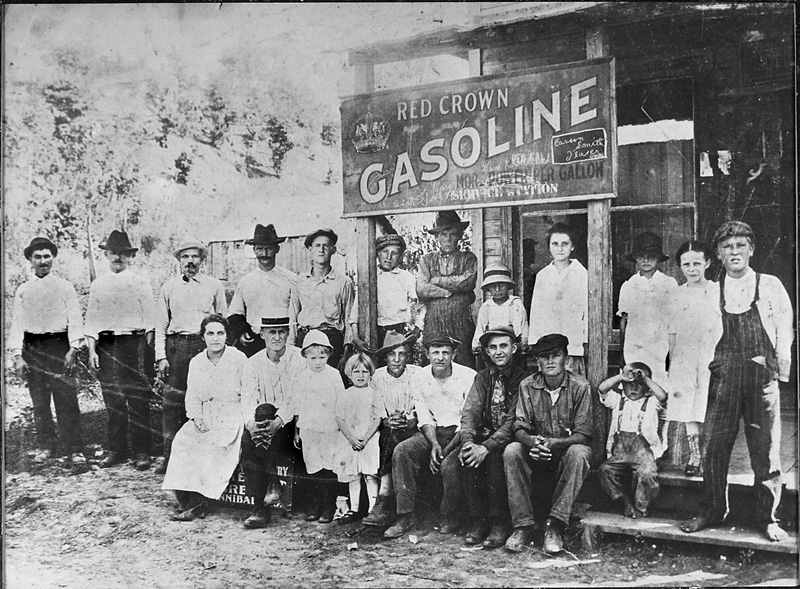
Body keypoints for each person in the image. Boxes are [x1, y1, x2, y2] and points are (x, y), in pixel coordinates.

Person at [681, 221, 794, 542]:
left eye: (740, 245)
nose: (734, 252)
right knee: (713, 445)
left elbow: (785, 329)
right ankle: (712, 509)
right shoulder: (712, 291)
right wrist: (707, 374)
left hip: (761, 378)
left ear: (751, 249)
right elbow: (703, 338)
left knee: (766, 449)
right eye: (728, 247)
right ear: (717, 253)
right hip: (724, 379)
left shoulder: (769, 285)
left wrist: (778, 370)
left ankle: (768, 517)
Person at [503, 333, 592, 554]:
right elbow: (519, 427)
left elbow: (584, 434)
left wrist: (554, 444)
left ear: (567, 360)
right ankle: (522, 525)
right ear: (538, 362)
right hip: (536, 454)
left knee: (580, 452)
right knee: (512, 450)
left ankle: (555, 525)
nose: (550, 361)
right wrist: (532, 442)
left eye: (556, 355)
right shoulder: (527, 385)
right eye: (544, 357)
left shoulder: (580, 386)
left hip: (562, 455)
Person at [383, 332, 477, 540]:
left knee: (448, 464)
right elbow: (424, 414)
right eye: (435, 353)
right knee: (403, 451)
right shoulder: (420, 377)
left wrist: (446, 449)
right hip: (432, 432)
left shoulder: (468, 376)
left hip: (460, 433)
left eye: (446, 352)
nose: (440, 358)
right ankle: (405, 516)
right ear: (427, 354)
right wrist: (434, 444)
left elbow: (468, 417)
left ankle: (452, 515)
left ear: (454, 354)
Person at [447, 326, 529, 548]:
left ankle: (499, 522)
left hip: (511, 439)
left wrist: (488, 446)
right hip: (484, 437)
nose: (498, 352)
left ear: (514, 348)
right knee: (467, 456)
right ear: (487, 352)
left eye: (503, 346)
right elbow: (470, 411)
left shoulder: (524, 379)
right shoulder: (483, 378)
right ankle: (477, 521)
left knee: (494, 459)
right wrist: (469, 442)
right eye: (492, 347)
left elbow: (514, 420)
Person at [161, 315, 248, 521]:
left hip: (232, 413)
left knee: (213, 444)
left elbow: (249, 392)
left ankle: (200, 502)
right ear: (203, 336)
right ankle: (188, 500)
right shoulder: (197, 362)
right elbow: (192, 395)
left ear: (227, 336)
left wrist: (244, 419)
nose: (215, 338)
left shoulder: (238, 358)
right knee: (184, 439)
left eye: (220, 333)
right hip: (206, 413)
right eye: (210, 333)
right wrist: (196, 416)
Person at [9, 237, 86, 465]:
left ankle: (74, 448)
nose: (43, 261)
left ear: (53, 258)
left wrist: (73, 348)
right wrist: (17, 355)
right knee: (40, 401)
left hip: (59, 346)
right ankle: (46, 445)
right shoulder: (23, 290)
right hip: (33, 348)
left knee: (67, 399)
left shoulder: (64, 287)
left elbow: (74, 319)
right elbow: (17, 323)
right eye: (38, 257)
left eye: (46, 256)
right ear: (30, 260)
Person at [154, 238, 227, 474]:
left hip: (204, 345)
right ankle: (170, 458)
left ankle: (207, 457)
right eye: (185, 257)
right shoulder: (168, 288)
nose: (190, 261)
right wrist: (161, 356)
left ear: (202, 260)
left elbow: (223, 320)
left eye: (195, 257)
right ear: (178, 261)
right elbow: (161, 325)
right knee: (173, 402)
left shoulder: (214, 286)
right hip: (177, 348)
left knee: (206, 400)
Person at [85, 230, 156, 470]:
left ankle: (142, 452)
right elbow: (92, 322)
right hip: (107, 346)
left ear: (130, 256)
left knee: (137, 399)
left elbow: (150, 321)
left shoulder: (140, 283)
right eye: (113, 253)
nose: (118, 257)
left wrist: (148, 352)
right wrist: (92, 351)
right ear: (106, 254)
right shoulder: (98, 285)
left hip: (134, 344)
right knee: (113, 399)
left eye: (123, 253)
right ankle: (116, 450)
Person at [239, 316, 307, 528]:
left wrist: (279, 421)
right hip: (263, 425)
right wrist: (251, 424)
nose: (277, 337)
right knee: (254, 425)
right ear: (262, 334)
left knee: (266, 412)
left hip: (289, 425)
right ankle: (263, 500)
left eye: (281, 332)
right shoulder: (253, 363)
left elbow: (297, 397)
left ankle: (268, 493)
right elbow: (248, 398)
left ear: (288, 333)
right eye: (271, 332)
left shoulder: (299, 359)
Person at [667, 240, 722, 476]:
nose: (692, 269)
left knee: (710, 405)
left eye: (697, 263)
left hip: (712, 355)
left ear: (707, 263)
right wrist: (672, 360)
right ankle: (695, 456)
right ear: (680, 266)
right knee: (689, 406)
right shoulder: (677, 294)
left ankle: (712, 457)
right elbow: (672, 330)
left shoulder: (717, 290)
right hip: (685, 357)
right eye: (686, 264)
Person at [362, 330, 422, 527]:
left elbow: (420, 402)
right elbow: (375, 406)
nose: (397, 360)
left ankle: (384, 498)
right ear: (385, 357)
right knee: (389, 435)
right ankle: (385, 498)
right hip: (387, 428)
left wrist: (410, 418)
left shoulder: (415, 374)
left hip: (411, 426)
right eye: (392, 355)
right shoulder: (377, 377)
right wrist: (386, 420)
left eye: (401, 354)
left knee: (396, 436)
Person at [598, 362, 668, 519]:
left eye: (639, 385)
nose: (634, 389)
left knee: (646, 473)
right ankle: (625, 501)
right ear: (623, 385)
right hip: (619, 455)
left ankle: (640, 508)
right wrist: (622, 376)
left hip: (643, 453)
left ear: (647, 387)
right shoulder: (617, 400)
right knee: (604, 471)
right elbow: (602, 389)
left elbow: (663, 397)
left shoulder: (651, 402)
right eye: (629, 385)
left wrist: (646, 379)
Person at [294, 330, 346, 523]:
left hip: (330, 428)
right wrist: (297, 431)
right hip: (309, 428)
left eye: (322, 357)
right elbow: (298, 405)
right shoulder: (302, 377)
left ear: (328, 356)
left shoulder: (333, 375)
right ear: (306, 356)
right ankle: (315, 505)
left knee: (329, 466)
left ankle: (328, 505)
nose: (317, 362)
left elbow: (341, 403)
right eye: (313, 357)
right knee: (313, 466)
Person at [416, 210, 478, 369]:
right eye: (444, 234)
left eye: (452, 234)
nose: (448, 239)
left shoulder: (468, 258)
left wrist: (437, 281)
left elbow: (468, 282)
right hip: (434, 321)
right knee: (434, 363)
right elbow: (422, 289)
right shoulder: (427, 259)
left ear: (459, 236)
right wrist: (446, 291)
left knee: (464, 363)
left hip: (461, 321)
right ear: (437, 237)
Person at [228, 223, 297, 358]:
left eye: (268, 249)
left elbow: (295, 313)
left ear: (277, 249)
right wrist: (242, 332)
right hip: (254, 341)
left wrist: (291, 343)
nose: (264, 254)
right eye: (260, 249)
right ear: (254, 250)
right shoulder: (246, 281)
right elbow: (235, 313)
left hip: (283, 341)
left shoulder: (291, 279)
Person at [291, 228, 356, 369]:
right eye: (317, 246)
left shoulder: (344, 282)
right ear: (310, 249)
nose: (321, 250)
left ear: (333, 250)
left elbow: (349, 319)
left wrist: (346, 353)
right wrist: (291, 348)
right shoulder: (299, 281)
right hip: (305, 339)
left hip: (331, 340)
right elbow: (293, 316)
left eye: (326, 246)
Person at [617, 232, 678, 384]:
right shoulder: (629, 285)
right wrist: (622, 351)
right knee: (634, 386)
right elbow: (624, 321)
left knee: (658, 386)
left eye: (651, 255)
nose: (646, 260)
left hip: (659, 347)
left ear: (658, 258)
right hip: (634, 347)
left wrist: (672, 353)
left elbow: (674, 322)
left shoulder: (668, 284)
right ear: (635, 259)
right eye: (641, 256)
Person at [527, 223, 588, 375]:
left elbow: (587, 309)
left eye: (565, 244)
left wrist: (586, 339)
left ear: (572, 246)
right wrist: (534, 342)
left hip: (573, 342)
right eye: (555, 244)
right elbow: (536, 311)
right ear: (549, 247)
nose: (560, 249)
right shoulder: (543, 275)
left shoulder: (581, 273)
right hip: (548, 342)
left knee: (572, 383)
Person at [333, 353, 381, 524]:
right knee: (353, 474)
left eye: (364, 372)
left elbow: (377, 418)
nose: (361, 376)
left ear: (370, 374)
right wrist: (352, 439)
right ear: (349, 374)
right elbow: (340, 419)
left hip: (369, 438)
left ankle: (371, 510)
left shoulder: (374, 393)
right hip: (350, 440)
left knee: (369, 474)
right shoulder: (345, 394)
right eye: (356, 372)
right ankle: (353, 509)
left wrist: (366, 438)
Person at [472, 263, 528, 368]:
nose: (497, 289)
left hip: (512, 353)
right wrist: (477, 348)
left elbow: (523, 329)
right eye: (493, 286)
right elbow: (479, 332)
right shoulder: (486, 307)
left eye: (501, 285)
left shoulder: (515, 304)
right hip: (492, 354)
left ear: (507, 285)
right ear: (488, 288)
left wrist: (523, 346)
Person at [374, 232, 425, 343]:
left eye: (394, 253)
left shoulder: (406, 278)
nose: (388, 257)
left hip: (398, 330)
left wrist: (417, 330)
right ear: (378, 253)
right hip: (374, 331)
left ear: (400, 256)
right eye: (385, 252)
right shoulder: (370, 277)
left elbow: (422, 305)